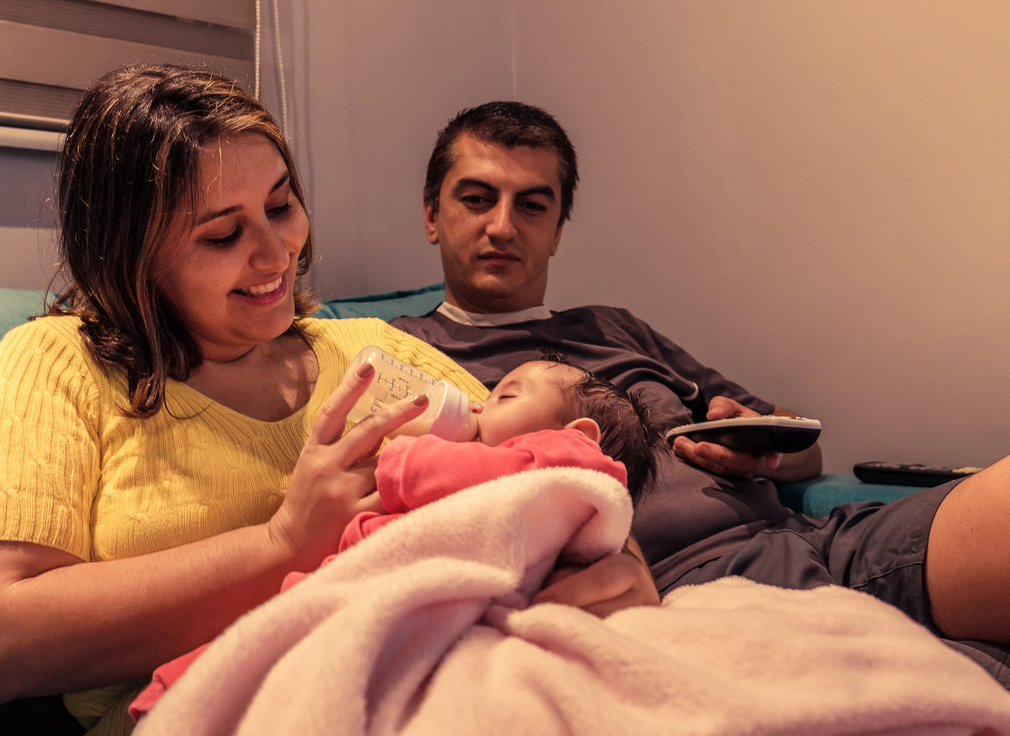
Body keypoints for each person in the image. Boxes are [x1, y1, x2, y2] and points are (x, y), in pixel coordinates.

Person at [0, 64, 497, 736]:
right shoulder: (58, 365)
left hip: (443, 694)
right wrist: (284, 544)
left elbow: (547, 471)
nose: (274, 252)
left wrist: (615, 570)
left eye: (281, 206)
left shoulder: (376, 355)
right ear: (132, 256)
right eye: (223, 235)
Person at [391, 100, 1010, 684]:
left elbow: (806, 449)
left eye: (532, 205)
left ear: (556, 230)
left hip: (827, 539)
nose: (503, 226)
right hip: (703, 591)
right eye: (477, 199)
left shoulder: (614, 327)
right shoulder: (404, 356)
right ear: (429, 214)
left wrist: (760, 444)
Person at [128, 355, 667, 721]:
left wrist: (399, 453)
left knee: (283, 645)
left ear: (579, 437)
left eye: (503, 396)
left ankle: (188, 700)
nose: (476, 404)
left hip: (404, 603)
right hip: (362, 582)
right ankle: (182, 695)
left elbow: (454, 476)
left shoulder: (562, 461)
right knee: (270, 636)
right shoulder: (536, 464)